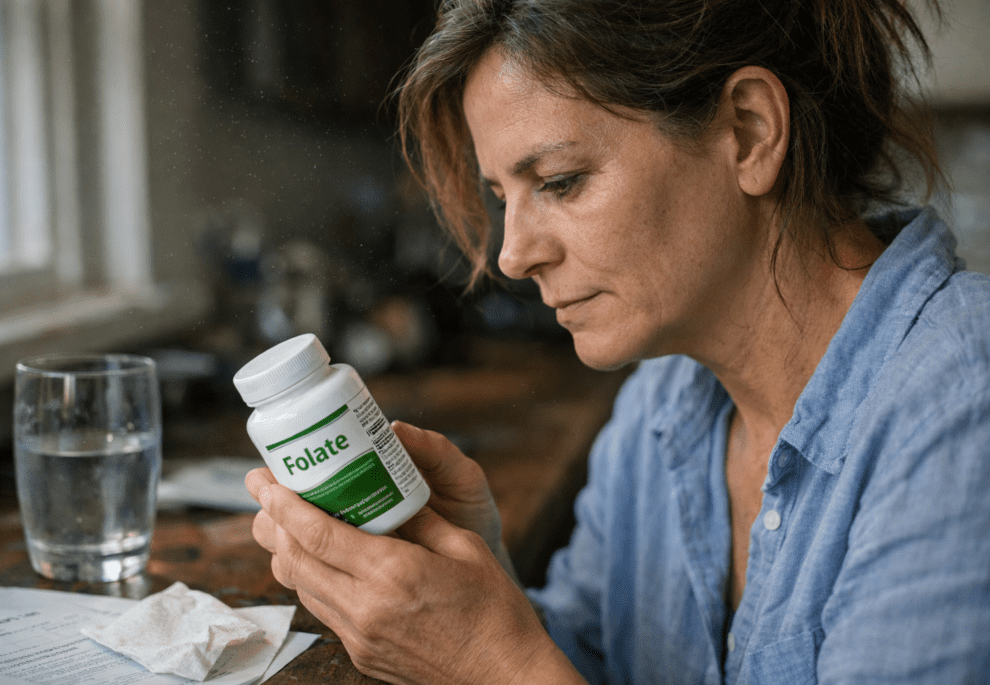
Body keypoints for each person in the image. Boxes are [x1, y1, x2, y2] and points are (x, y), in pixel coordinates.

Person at [244, 0, 990, 682]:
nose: (512, 254)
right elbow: (592, 662)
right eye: (503, 197)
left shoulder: (960, 410)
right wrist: (475, 588)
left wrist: (489, 666)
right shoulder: (659, 405)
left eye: (562, 181)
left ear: (750, 132)